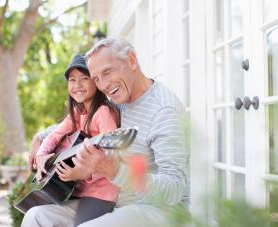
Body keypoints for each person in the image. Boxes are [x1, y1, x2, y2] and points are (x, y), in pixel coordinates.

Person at [23, 37, 188, 227]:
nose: (104, 85)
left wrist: (115, 171)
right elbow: (81, 120)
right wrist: (41, 137)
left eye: (107, 72)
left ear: (132, 60)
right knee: (35, 217)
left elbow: (175, 187)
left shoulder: (163, 109)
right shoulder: (119, 101)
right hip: (113, 201)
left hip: (155, 209)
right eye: (96, 79)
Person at [24, 55, 120, 226]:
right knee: (34, 214)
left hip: (101, 193)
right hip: (79, 189)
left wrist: (87, 173)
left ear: (96, 82)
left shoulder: (103, 113)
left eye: (84, 78)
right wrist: (41, 156)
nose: (77, 85)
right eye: (72, 80)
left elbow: (113, 154)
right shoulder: (78, 112)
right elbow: (53, 136)